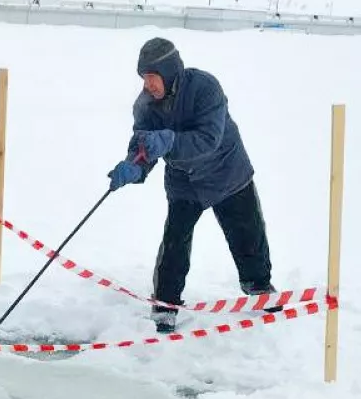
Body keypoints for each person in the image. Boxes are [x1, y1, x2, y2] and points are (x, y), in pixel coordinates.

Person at [107, 37, 276, 333]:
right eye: (144, 78)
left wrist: (169, 140)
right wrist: (135, 165)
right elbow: (143, 144)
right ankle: (165, 304)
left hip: (227, 170)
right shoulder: (145, 105)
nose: (148, 85)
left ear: (169, 71)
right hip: (184, 180)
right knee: (175, 240)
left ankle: (258, 285)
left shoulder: (205, 88)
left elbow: (209, 139)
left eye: (152, 76)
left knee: (247, 232)